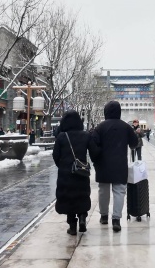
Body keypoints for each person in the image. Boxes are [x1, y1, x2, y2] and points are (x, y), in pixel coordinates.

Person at [91, 101, 139, 232]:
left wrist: (95, 160)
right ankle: (116, 220)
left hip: (103, 165)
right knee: (119, 191)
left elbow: (93, 145)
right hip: (120, 165)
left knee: (103, 190)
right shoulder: (125, 127)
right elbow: (134, 143)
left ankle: (104, 216)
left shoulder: (100, 127)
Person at [52, 110, 100, 236]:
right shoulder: (85, 135)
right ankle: (83, 217)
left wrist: (62, 166)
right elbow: (95, 152)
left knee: (69, 198)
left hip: (65, 174)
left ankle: (72, 226)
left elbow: (55, 155)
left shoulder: (62, 137)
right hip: (81, 172)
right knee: (81, 195)